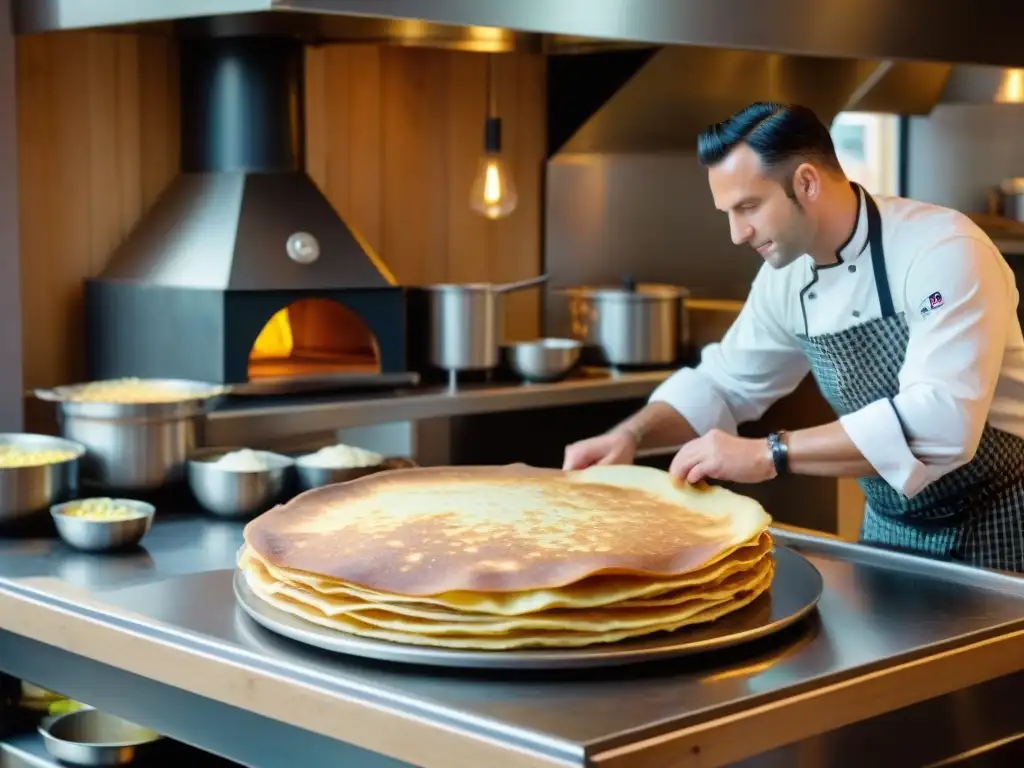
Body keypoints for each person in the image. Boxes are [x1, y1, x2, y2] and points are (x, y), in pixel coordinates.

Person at [563, 101, 1024, 574]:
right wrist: (629, 435)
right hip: (890, 530)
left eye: (748, 207)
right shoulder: (786, 276)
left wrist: (771, 453)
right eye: (728, 212)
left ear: (806, 182)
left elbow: (940, 424)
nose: (737, 234)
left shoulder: (943, 249)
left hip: (1001, 527)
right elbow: (724, 382)